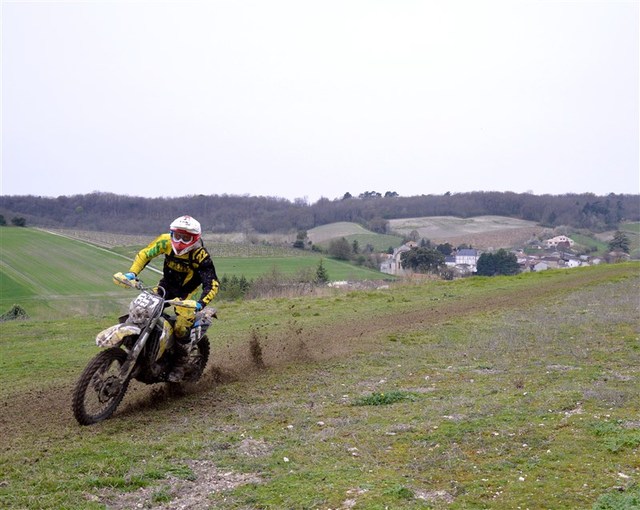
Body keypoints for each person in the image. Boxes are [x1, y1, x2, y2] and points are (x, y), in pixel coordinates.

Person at [122, 215, 219, 380]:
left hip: (188, 293)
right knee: (141, 310)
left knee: (181, 327)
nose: (180, 241)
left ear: (195, 239)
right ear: (171, 233)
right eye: (178, 235)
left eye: (186, 237)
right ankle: (137, 342)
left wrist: (199, 304)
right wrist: (132, 273)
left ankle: (180, 362)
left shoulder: (200, 255)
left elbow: (212, 284)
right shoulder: (165, 241)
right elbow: (145, 254)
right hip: (165, 286)